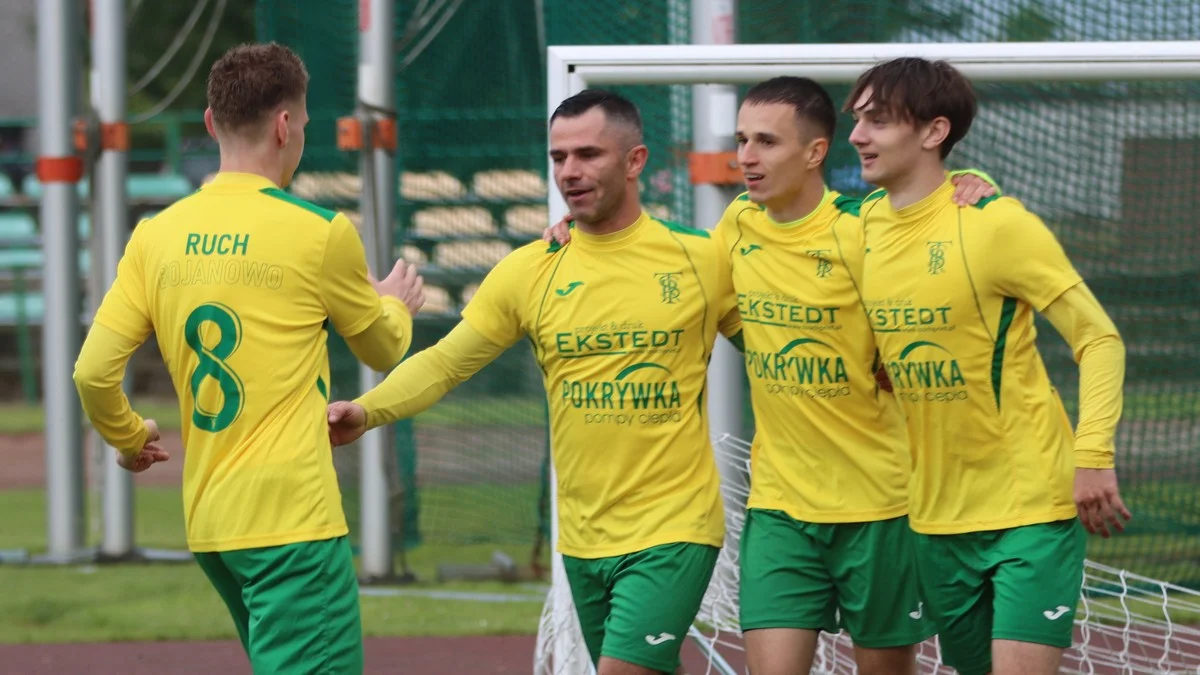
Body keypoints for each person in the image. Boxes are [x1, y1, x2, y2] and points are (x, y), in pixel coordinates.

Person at [545, 76, 997, 675]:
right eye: (741, 140)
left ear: (814, 152)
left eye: (766, 141)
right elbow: (675, 274)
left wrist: (976, 182)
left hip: (880, 506)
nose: (747, 156)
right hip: (779, 507)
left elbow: (943, 224)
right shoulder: (737, 224)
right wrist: (579, 233)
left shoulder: (865, 226)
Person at [325, 89, 742, 675]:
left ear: (635, 161)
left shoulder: (703, 259)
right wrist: (366, 411)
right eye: (558, 157)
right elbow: (445, 362)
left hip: (675, 529)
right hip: (582, 539)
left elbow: (773, 347)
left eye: (589, 154)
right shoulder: (531, 268)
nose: (569, 171)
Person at [72, 42, 424, 674]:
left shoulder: (155, 234)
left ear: (212, 122)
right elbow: (383, 346)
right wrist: (394, 304)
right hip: (291, 523)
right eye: (304, 124)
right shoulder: (320, 231)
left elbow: (91, 374)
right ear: (285, 125)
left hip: (213, 526)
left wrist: (129, 438)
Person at [846, 57, 1131, 675]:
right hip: (935, 517)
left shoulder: (998, 224)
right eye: (857, 119)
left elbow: (1100, 338)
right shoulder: (862, 224)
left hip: (1031, 508)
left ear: (933, 131)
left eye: (878, 121)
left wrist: (1092, 455)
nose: (857, 136)